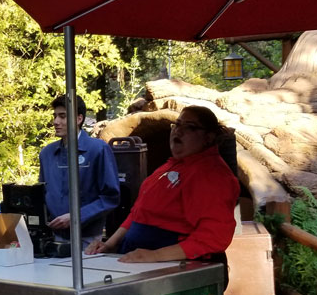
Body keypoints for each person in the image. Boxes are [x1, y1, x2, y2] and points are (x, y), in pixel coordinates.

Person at [86, 105, 239, 264]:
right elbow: (138, 214)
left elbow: (214, 237)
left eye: (190, 127)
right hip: (141, 264)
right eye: (177, 124)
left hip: (178, 270)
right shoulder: (170, 166)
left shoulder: (213, 175)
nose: (178, 131)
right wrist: (110, 244)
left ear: (209, 137)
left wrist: (155, 255)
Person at [38, 94, 120, 249]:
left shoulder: (98, 150)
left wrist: (76, 217)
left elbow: (110, 197)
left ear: (79, 118)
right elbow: (42, 193)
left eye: (62, 116)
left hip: (87, 239)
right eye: (55, 116)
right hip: (54, 237)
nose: (56, 122)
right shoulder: (47, 154)